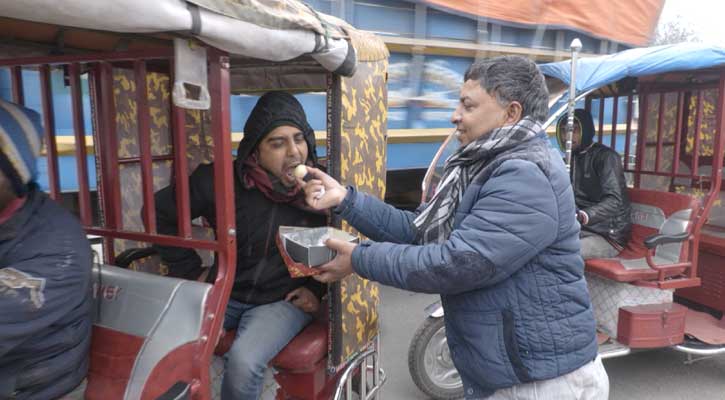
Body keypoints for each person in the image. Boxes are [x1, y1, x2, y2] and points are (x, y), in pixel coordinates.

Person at [299, 56, 608, 399]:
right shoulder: (482, 165)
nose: (454, 115)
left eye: (468, 105)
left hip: (541, 382)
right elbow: (419, 231)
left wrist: (359, 259)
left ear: (511, 114)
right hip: (515, 372)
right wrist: (346, 200)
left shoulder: (525, 174)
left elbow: (458, 263)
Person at [153, 91, 326, 400]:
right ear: (254, 152)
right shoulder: (219, 180)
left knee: (245, 362)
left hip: (280, 300)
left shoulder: (322, 187)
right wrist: (190, 271)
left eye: (299, 139)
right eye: (277, 143)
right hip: (225, 292)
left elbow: (338, 245)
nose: (294, 153)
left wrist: (316, 289)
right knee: (166, 341)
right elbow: (159, 212)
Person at [0, 99, 92, 399]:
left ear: (12, 174)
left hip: (34, 388)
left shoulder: (57, 249)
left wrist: (190, 268)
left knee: (244, 366)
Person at [556, 109, 631, 259]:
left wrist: (585, 215)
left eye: (574, 130)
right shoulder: (571, 159)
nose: (567, 137)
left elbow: (614, 201)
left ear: (586, 130)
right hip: (578, 229)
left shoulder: (606, 158)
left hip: (607, 236)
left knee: (563, 254)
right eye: (564, 131)